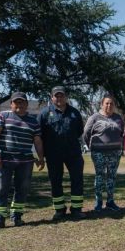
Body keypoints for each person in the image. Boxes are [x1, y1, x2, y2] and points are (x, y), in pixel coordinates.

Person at [0, 92, 45, 230]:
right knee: (0, 188)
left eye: (22, 102)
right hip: (5, 160)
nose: (19, 104)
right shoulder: (2, 116)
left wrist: (41, 158)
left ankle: (17, 217)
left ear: (26, 104)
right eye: (16, 102)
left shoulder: (33, 121)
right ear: (11, 104)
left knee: (22, 189)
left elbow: (37, 142)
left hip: (26, 161)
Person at [39, 86, 85, 220]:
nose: (59, 98)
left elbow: (79, 131)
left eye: (62, 95)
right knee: (55, 181)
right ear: (51, 97)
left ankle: (76, 209)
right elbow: (39, 136)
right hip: (53, 154)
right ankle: (59, 210)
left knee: (77, 180)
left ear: (66, 97)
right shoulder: (44, 113)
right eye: (56, 96)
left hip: (73, 153)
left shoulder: (74, 113)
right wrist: (41, 156)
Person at [83, 94, 124, 212]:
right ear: (102, 104)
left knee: (112, 177)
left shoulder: (118, 118)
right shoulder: (94, 118)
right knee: (99, 176)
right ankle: (98, 202)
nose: (109, 105)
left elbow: (121, 133)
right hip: (98, 152)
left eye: (111, 103)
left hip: (115, 153)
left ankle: (110, 201)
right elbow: (86, 133)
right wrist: (91, 145)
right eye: (107, 103)